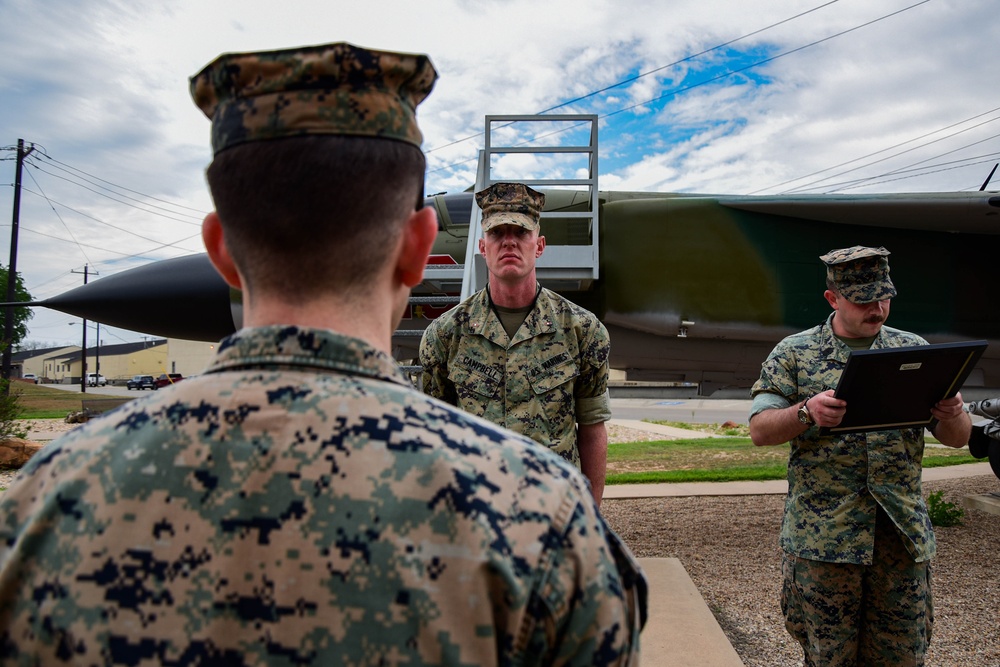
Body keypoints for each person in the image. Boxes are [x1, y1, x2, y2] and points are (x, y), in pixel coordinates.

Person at [0, 43, 645, 665]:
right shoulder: (547, 526)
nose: (507, 243)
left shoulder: (42, 510)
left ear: (220, 248)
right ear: (421, 248)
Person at [748, 245, 971, 666]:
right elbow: (760, 429)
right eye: (864, 300)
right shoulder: (795, 353)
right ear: (833, 299)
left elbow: (956, 438)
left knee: (902, 657)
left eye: (883, 297)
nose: (878, 308)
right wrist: (805, 412)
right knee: (828, 658)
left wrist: (954, 412)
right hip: (824, 542)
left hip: (900, 539)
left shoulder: (912, 351)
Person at [419, 182, 613, 505]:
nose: (509, 241)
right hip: (476, 522)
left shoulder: (582, 332)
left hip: (554, 522)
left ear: (539, 246)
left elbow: (593, 431)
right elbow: (434, 438)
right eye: (497, 233)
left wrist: (588, 521)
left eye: (520, 232)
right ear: (483, 246)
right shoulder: (445, 336)